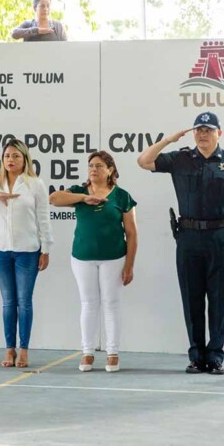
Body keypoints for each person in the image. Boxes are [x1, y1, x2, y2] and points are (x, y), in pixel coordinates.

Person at [137, 111, 224, 375]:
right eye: (198, 130)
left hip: (220, 239)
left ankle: (215, 357)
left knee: (218, 299)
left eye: (208, 130)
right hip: (189, 237)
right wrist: (168, 139)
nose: (202, 134)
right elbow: (143, 161)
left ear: (219, 133)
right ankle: (196, 356)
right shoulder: (181, 159)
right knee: (191, 299)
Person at [0, 138, 53, 368]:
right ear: (1, 160)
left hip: (28, 251)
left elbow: (44, 218)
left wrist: (46, 249)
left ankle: (24, 350)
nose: (11, 160)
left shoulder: (35, 184)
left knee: (24, 302)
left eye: (15, 156)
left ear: (25, 159)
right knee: (7, 302)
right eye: (7, 156)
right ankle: (9, 350)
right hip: (0, 251)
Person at [50, 151, 137, 373]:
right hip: (82, 257)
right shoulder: (79, 191)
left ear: (110, 170)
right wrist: (83, 198)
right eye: (90, 165)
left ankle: (112, 353)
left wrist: (129, 265)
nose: (94, 169)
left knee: (111, 303)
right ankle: (87, 352)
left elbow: (132, 233)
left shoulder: (122, 196)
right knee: (88, 303)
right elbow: (54, 199)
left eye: (99, 165)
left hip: (114, 258)